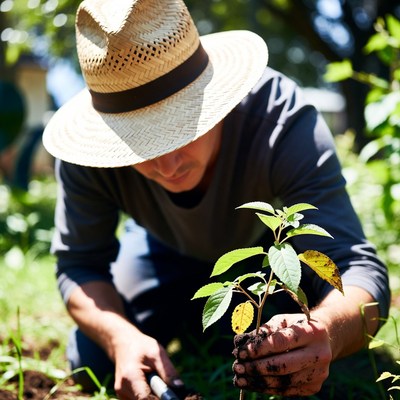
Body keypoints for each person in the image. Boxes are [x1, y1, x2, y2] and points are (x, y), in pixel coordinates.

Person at [42, 0, 390, 398]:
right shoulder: (91, 156)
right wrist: (119, 337)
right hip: (162, 252)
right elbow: (78, 264)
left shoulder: (280, 122)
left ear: (216, 100)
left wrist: (326, 331)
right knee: (92, 356)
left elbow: (358, 269)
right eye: (139, 144)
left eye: (183, 129)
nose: (167, 164)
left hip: (271, 264)